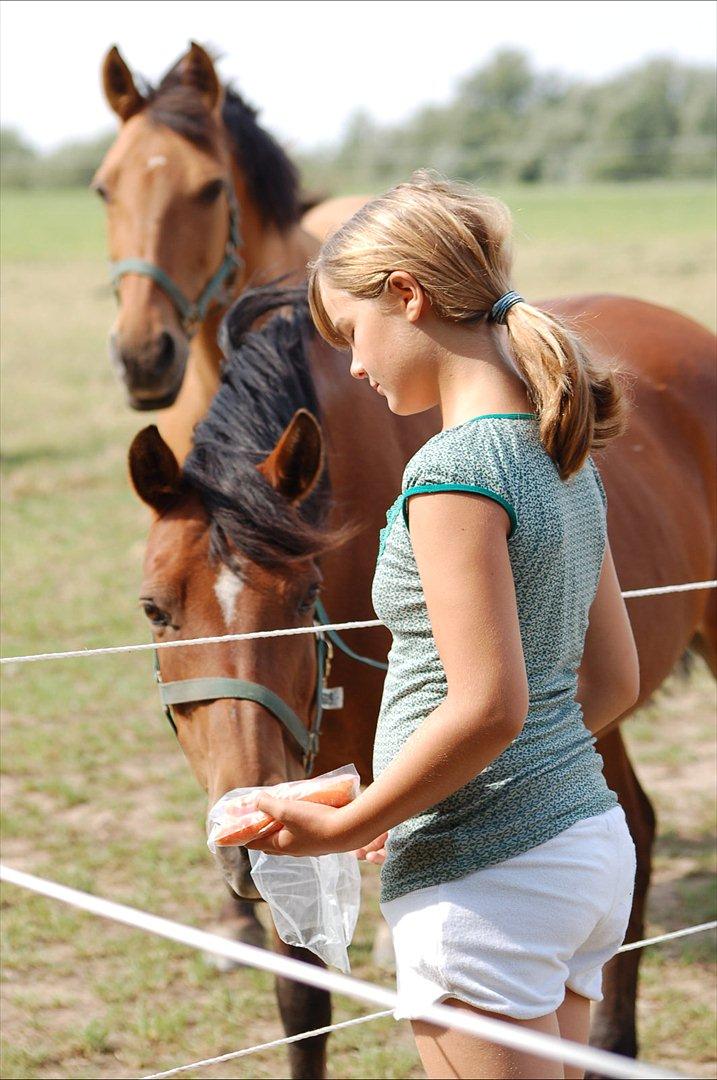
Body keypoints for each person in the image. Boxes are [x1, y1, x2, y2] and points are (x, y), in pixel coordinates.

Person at [244, 170, 640, 1080]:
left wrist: (352, 826)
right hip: (583, 850)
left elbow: (490, 707)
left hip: (489, 885)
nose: (351, 365)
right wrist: (408, 795)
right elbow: (609, 682)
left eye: (352, 334)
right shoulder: (561, 451)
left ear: (407, 297)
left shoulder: (451, 475)